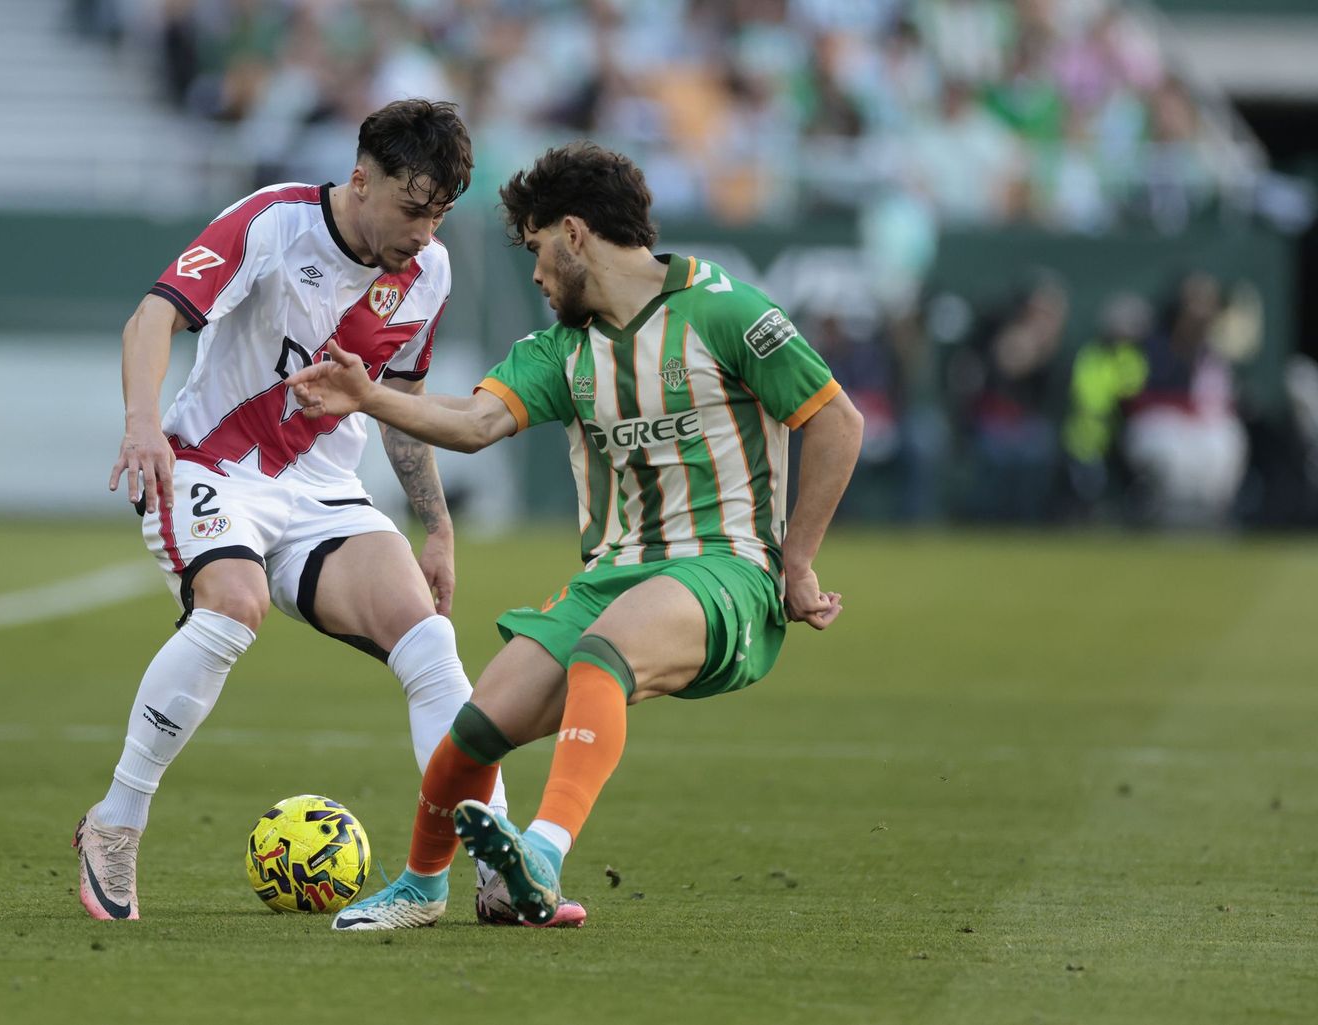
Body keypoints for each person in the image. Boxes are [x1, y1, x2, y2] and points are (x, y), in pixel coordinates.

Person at [289, 142, 864, 929]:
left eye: (535, 250)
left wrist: (795, 561)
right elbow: (473, 419)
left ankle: (543, 856)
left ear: (574, 233)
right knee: (474, 728)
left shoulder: (727, 311)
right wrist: (365, 395)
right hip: (611, 577)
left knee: (607, 647)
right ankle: (423, 887)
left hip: (726, 572)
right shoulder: (562, 350)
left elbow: (836, 419)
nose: (533, 274)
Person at [75, 98, 564, 926]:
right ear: (361, 177)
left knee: (431, 639)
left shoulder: (430, 271)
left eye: (440, 212)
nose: (423, 231)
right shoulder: (270, 223)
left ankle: (498, 860)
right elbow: (153, 315)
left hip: (325, 492)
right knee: (234, 605)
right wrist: (140, 422)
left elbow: (400, 401)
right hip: (211, 466)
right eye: (413, 208)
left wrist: (434, 524)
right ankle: (114, 822)